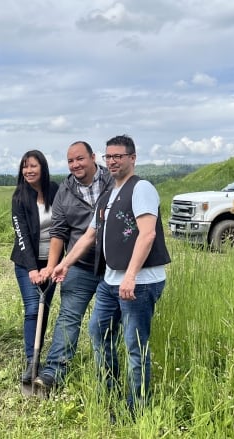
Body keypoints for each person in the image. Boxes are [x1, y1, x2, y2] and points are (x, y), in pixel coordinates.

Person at [51, 135, 171, 418]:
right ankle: (110, 393)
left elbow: (148, 233)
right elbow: (89, 235)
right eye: (110, 156)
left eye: (119, 156)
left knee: (134, 345)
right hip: (111, 280)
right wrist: (65, 263)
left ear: (132, 157)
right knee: (98, 332)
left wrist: (130, 276)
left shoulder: (141, 189)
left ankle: (136, 408)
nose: (113, 161)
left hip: (138, 283)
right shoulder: (108, 195)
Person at [32, 141, 113, 392]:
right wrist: (53, 266)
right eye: (70, 161)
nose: (75, 165)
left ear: (93, 157)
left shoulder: (114, 182)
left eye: (80, 159)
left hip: (114, 267)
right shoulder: (64, 192)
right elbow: (59, 233)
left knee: (106, 323)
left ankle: (108, 375)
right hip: (80, 265)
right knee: (68, 317)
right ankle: (53, 371)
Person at [10, 150, 60, 385]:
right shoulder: (19, 196)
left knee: (45, 308)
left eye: (33, 166)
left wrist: (52, 265)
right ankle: (33, 361)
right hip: (26, 262)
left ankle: (39, 351)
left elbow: (63, 227)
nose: (28, 171)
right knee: (32, 307)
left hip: (51, 262)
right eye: (24, 167)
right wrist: (32, 268)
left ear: (43, 168)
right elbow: (21, 234)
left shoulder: (56, 190)